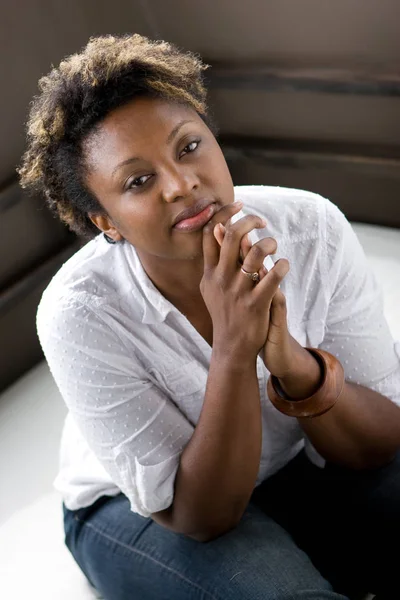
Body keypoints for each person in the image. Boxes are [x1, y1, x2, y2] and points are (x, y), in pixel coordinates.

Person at [18, 33, 400, 600]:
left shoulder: (311, 227)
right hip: (145, 512)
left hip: (289, 470)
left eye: (189, 147)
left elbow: (380, 446)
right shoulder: (78, 313)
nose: (182, 185)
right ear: (106, 222)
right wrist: (233, 348)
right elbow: (202, 517)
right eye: (138, 182)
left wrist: (291, 362)